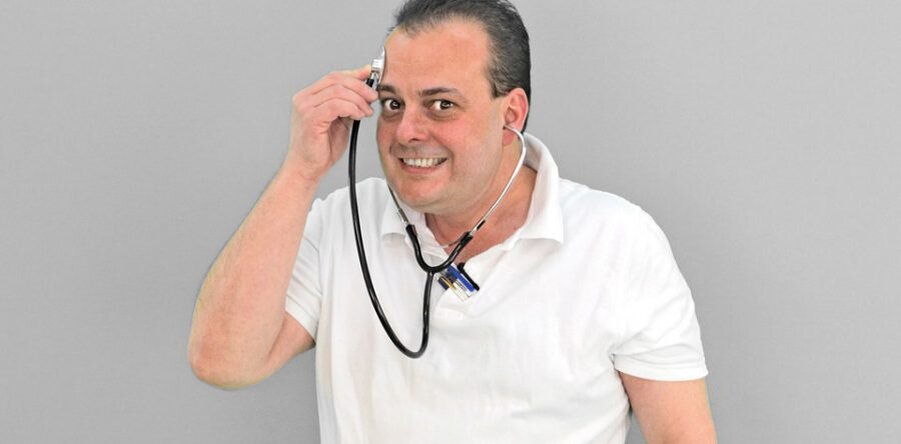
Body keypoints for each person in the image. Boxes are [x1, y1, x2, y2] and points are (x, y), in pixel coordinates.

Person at [188, 0, 716, 442]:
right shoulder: (342, 222)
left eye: (441, 105)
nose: (406, 131)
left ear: (511, 114)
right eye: (392, 103)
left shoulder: (618, 241)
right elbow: (223, 362)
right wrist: (301, 171)